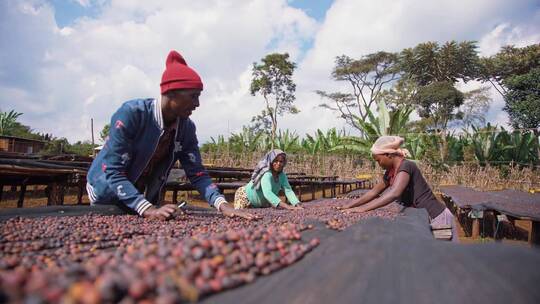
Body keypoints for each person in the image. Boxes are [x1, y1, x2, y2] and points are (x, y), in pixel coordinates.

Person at [86, 50, 257, 221]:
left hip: (143, 199)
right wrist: (148, 209)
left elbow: (197, 173)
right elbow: (113, 171)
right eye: (193, 96)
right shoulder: (132, 114)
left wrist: (223, 205)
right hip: (106, 193)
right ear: (172, 93)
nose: (197, 104)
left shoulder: (186, 128)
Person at [338, 136, 458, 241]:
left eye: (378, 160)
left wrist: (362, 209)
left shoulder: (406, 165)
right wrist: (350, 205)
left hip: (437, 218)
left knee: (444, 258)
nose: (378, 164)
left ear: (388, 155)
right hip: (420, 217)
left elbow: (394, 193)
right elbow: (374, 192)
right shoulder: (390, 172)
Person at [233, 149, 302, 210]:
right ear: (271, 162)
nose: (278, 164)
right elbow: (267, 193)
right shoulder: (267, 174)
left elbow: (288, 190)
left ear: (284, 163)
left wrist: (297, 204)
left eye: (281, 161)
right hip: (245, 196)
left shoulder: (282, 176)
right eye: (275, 161)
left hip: (259, 203)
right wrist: (287, 206)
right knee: (239, 216)